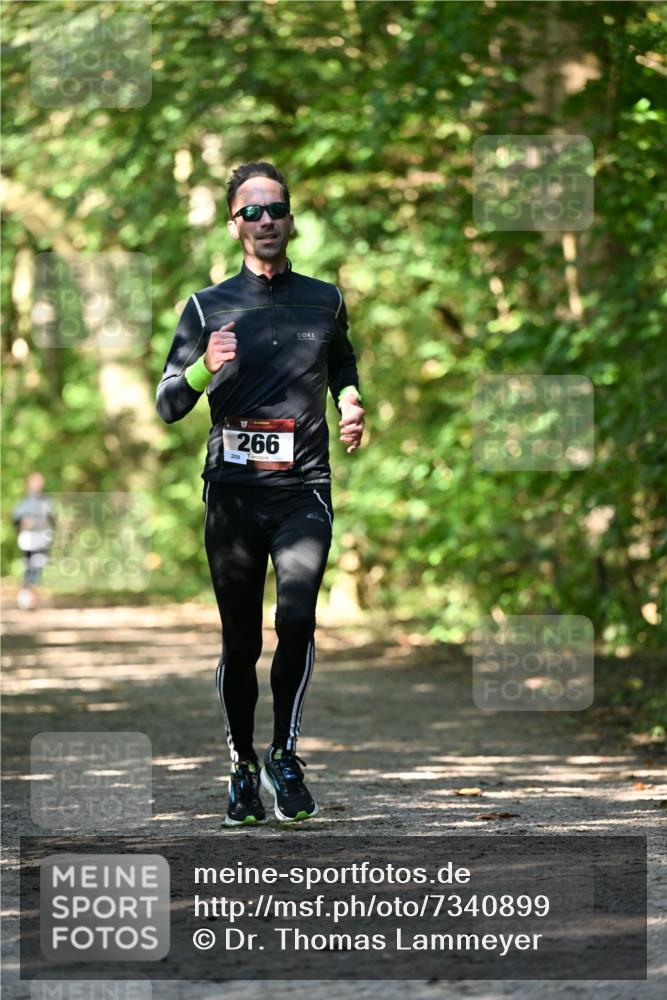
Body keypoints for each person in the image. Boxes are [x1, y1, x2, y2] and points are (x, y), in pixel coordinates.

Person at [156, 161, 364, 825]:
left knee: (296, 619)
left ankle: (284, 754)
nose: (265, 220)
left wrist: (351, 400)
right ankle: (243, 764)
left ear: (290, 218)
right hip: (234, 496)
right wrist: (201, 368)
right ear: (233, 225)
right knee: (241, 642)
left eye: (275, 208)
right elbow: (166, 404)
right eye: (251, 212)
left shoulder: (323, 299)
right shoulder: (206, 306)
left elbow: (341, 361)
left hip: (303, 489)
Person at [11, 472, 56, 610]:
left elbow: (53, 519)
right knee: (29, 567)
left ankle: (32, 598)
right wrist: (22, 523)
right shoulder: (23, 503)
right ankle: (27, 597)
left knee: (38, 567)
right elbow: (15, 520)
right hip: (28, 539)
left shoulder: (47, 502)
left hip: (42, 538)